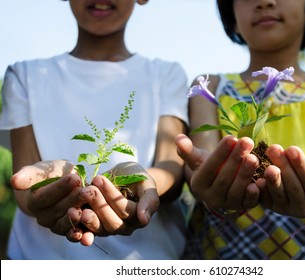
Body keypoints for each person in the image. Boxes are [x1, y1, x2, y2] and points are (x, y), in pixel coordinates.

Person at [175, 0, 305, 259]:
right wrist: (203, 176)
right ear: (233, 17)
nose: (265, 2)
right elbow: (201, 165)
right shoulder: (211, 86)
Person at [0, 0, 188, 259]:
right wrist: (46, 190)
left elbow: (172, 167)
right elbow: (26, 192)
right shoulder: (24, 76)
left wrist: (143, 183)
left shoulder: (166, 75)